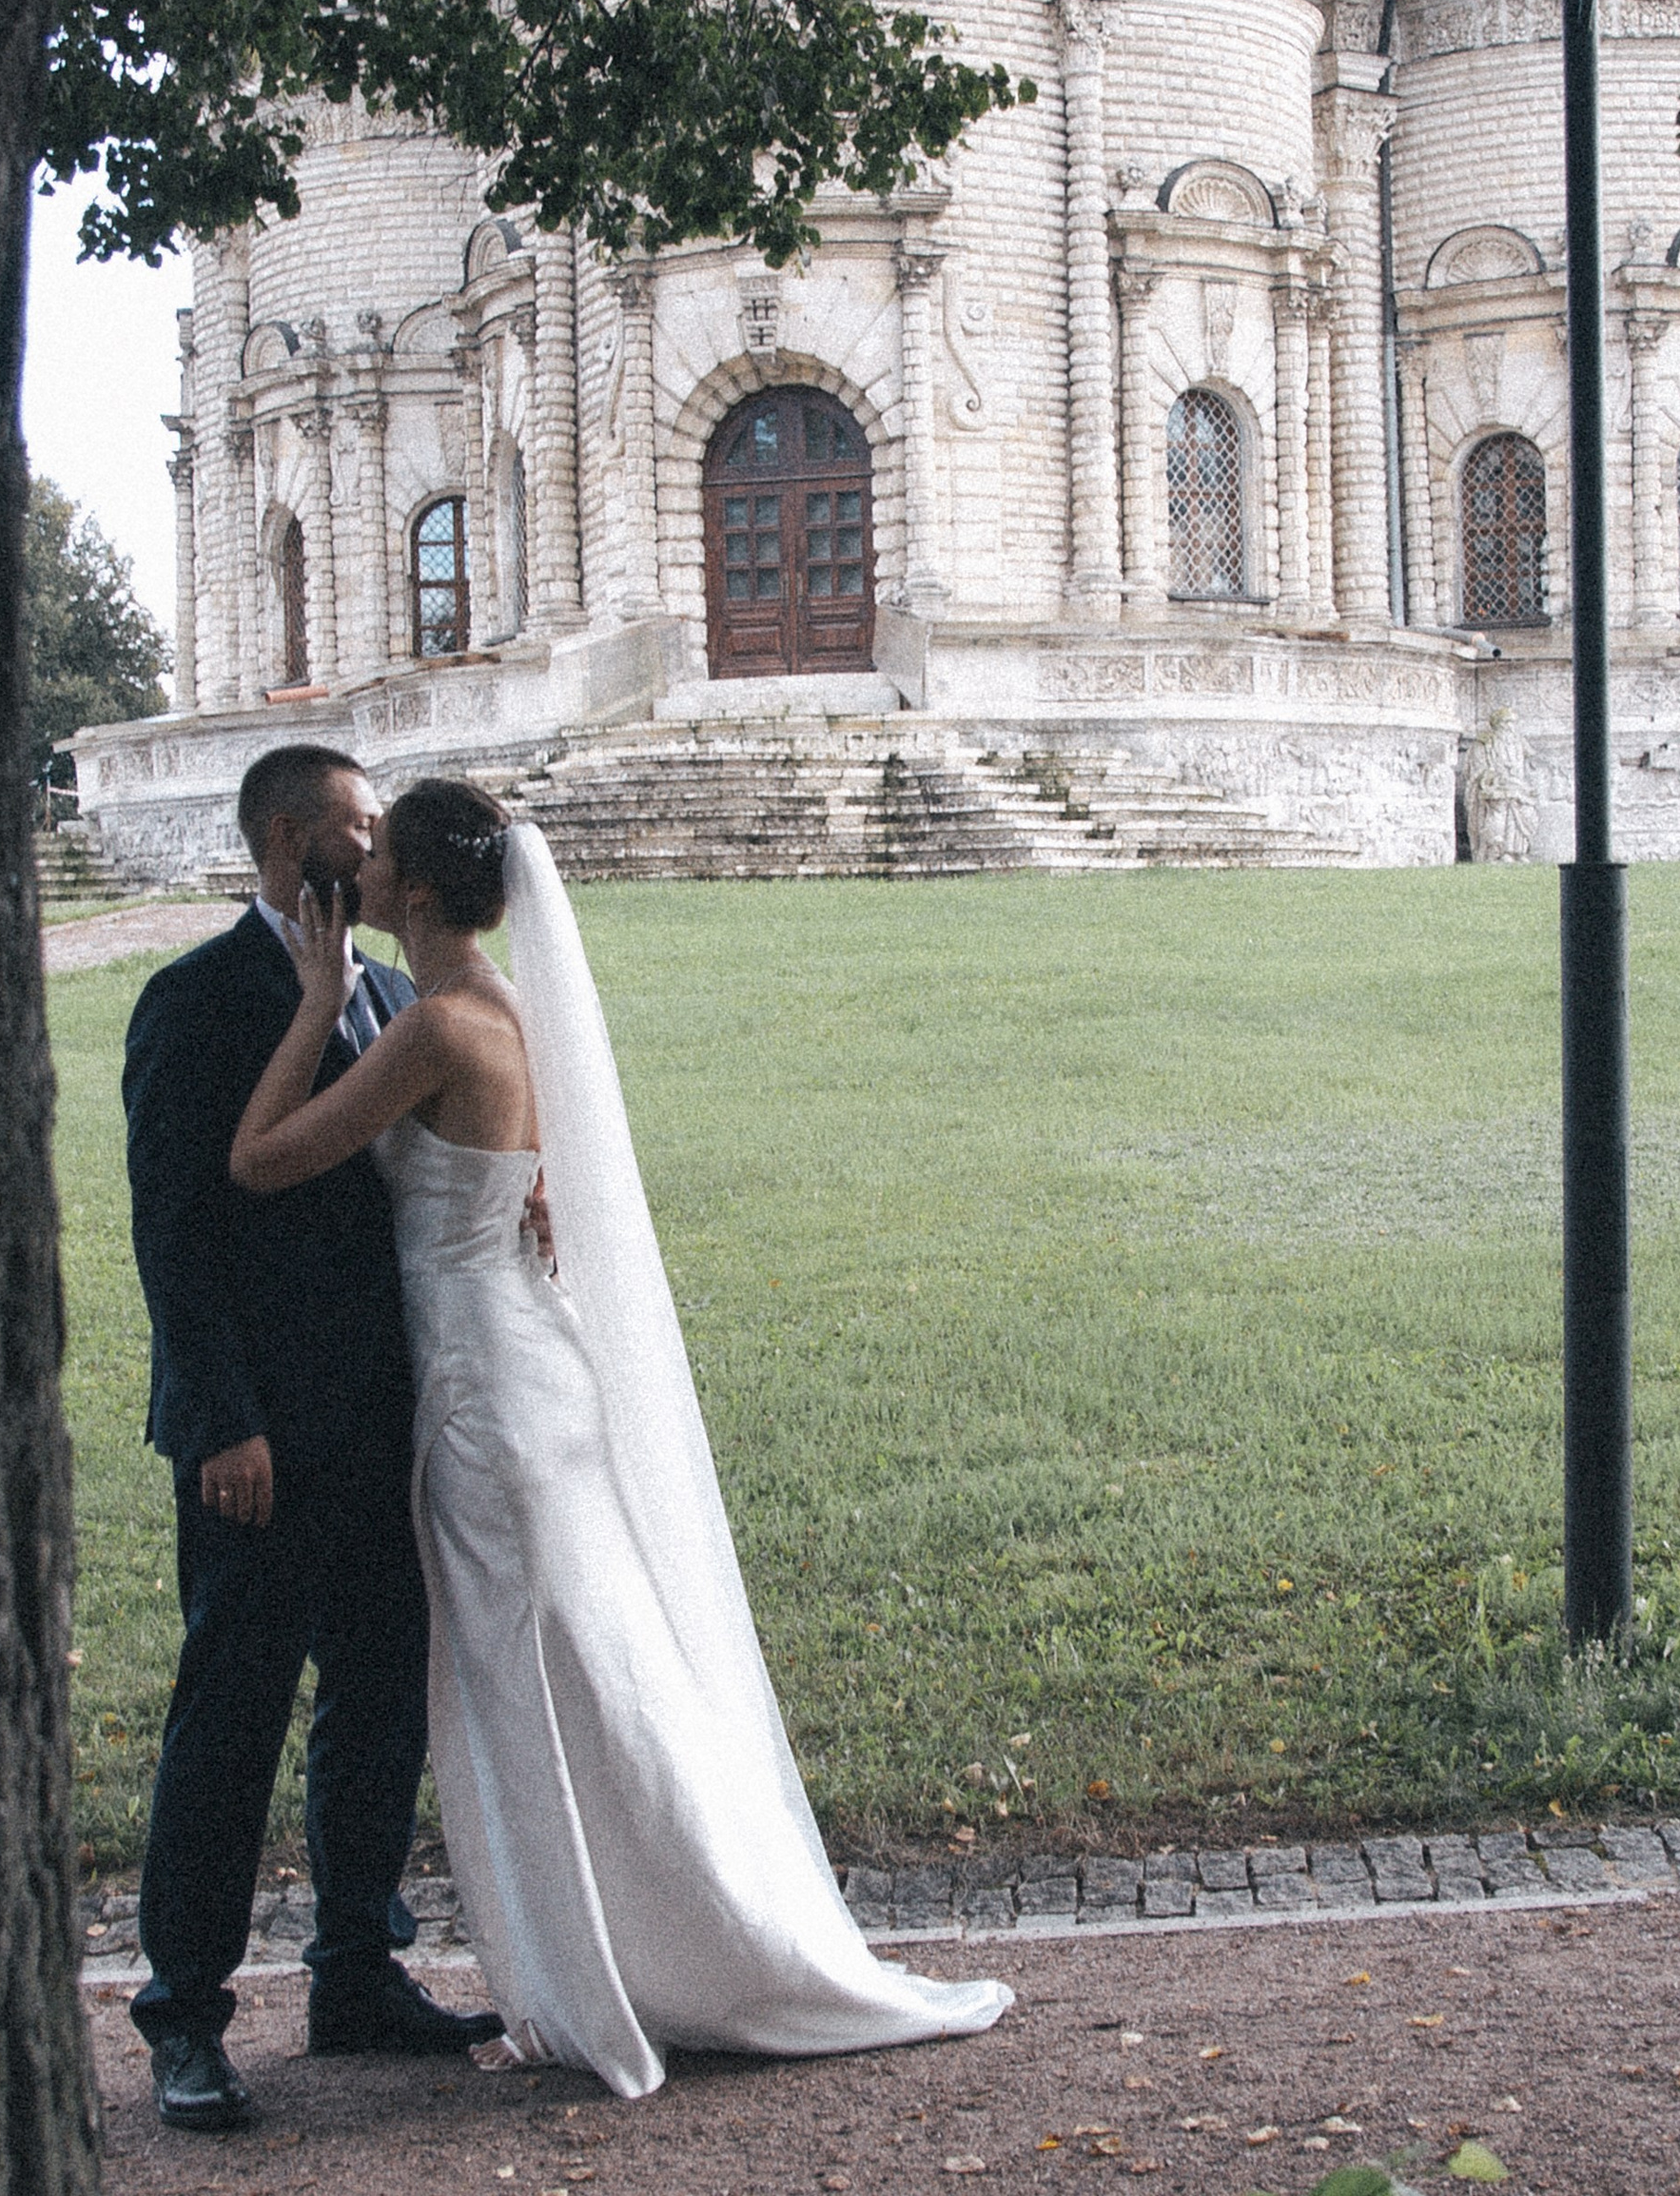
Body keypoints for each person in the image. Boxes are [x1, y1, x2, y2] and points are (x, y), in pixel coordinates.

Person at [231, 776, 1013, 2100]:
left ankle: (642, 1966)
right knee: (588, 1673)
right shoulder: (501, 1013)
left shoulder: (429, 1030)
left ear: (416, 895)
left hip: (486, 1393)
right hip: (524, 1371)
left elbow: (260, 1161)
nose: (352, 868)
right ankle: (653, 1948)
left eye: (377, 857)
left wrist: (314, 1005)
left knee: (544, 1687)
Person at [122, 745, 501, 2133]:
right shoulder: (194, 1000)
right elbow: (175, 1230)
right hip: (257, 1437)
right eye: (359, 823)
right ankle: (185, 2014)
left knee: (376, 1702)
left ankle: (357, 1969)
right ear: (293, 838)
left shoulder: (399, 995)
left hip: (386, 1421)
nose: (377, 839)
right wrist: (221, 1417)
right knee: (231, 1715)